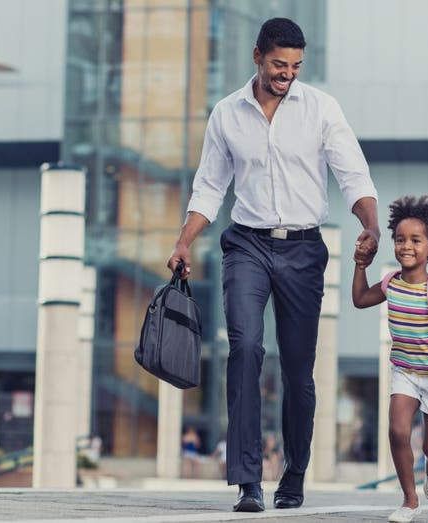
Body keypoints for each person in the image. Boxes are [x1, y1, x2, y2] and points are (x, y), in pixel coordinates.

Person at [167, 17, 380, 512]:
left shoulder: (322, 109)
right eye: (279, 65)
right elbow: (210, 187)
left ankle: (295, 472)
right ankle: (247, 480)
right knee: (244, 347)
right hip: (247, 245)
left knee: (298, 371)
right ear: (258, 56)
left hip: (304, 249)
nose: (288, 75)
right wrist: (183, 242)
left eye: (296, 67)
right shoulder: (226, 114)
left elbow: (353, 175)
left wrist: (369, 226)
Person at [352, 195, 428, 523]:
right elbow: (361, 299)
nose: (406, 246)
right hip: (405, 370)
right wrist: (360, 266)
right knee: (397, 430)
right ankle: (409, 500)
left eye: (415, 240)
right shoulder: (391, 283)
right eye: (400, 239)